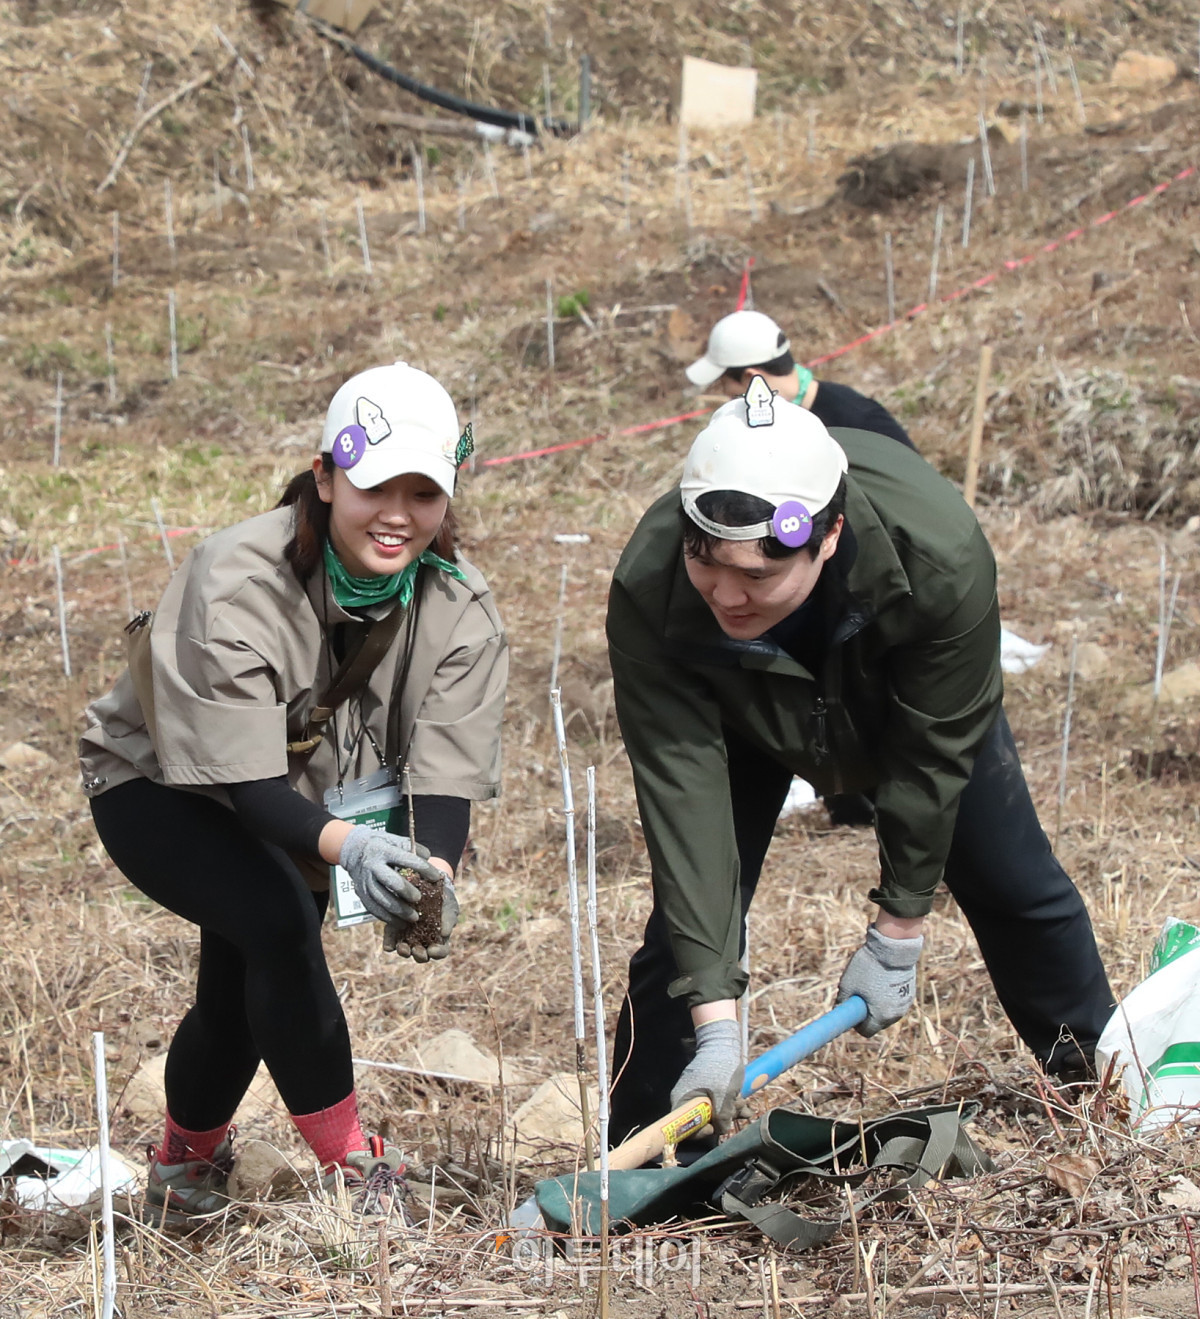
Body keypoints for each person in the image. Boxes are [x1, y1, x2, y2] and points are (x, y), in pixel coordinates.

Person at [605, 380, 1113, 1148]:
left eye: (758, 576)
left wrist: (898, 929)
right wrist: (716, 1022)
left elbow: (933, 755)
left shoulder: (938, 554)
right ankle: (648, 1154)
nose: (727, 595)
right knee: (684, 932)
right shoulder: (654, 586)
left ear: (829, 534)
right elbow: (684, 799)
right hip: (739, 704)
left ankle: (1095, 1086)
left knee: (1010, 877)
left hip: (896, 682)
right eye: (708, 565)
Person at [80, 362, 507, 1223]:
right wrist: (357, 847)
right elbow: (244, 787)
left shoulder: (459, 607)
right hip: (157, 782)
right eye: (376, 485)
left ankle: (181, 1168)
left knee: (239, 985)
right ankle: (357, 1168)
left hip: (299, 800)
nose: (398, 513)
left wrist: (431, 870)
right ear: (325, 476)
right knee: (278, 917)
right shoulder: (238, 577)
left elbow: (446, 773)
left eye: (424, 492)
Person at [686, 308, 917, 451]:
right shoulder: (775, 429)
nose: (731, 402)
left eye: (731, 392)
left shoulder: (862, 423)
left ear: (751, 380)